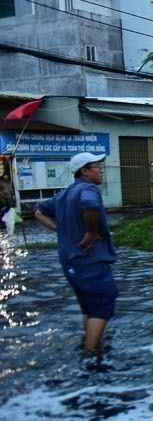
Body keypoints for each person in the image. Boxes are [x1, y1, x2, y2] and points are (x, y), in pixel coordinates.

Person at [34, 152, 117, 357]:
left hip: (70, 262)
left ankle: (90, 343)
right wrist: (91, 231)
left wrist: (61, 229)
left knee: (89, 307)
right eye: (97, 167)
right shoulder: (88, 189)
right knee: (103, 303)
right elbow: (91, 206)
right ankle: (91, 353)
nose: (101, 171)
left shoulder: (65, 194)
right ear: (85, 171)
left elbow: (38, 213)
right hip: (90, 259)